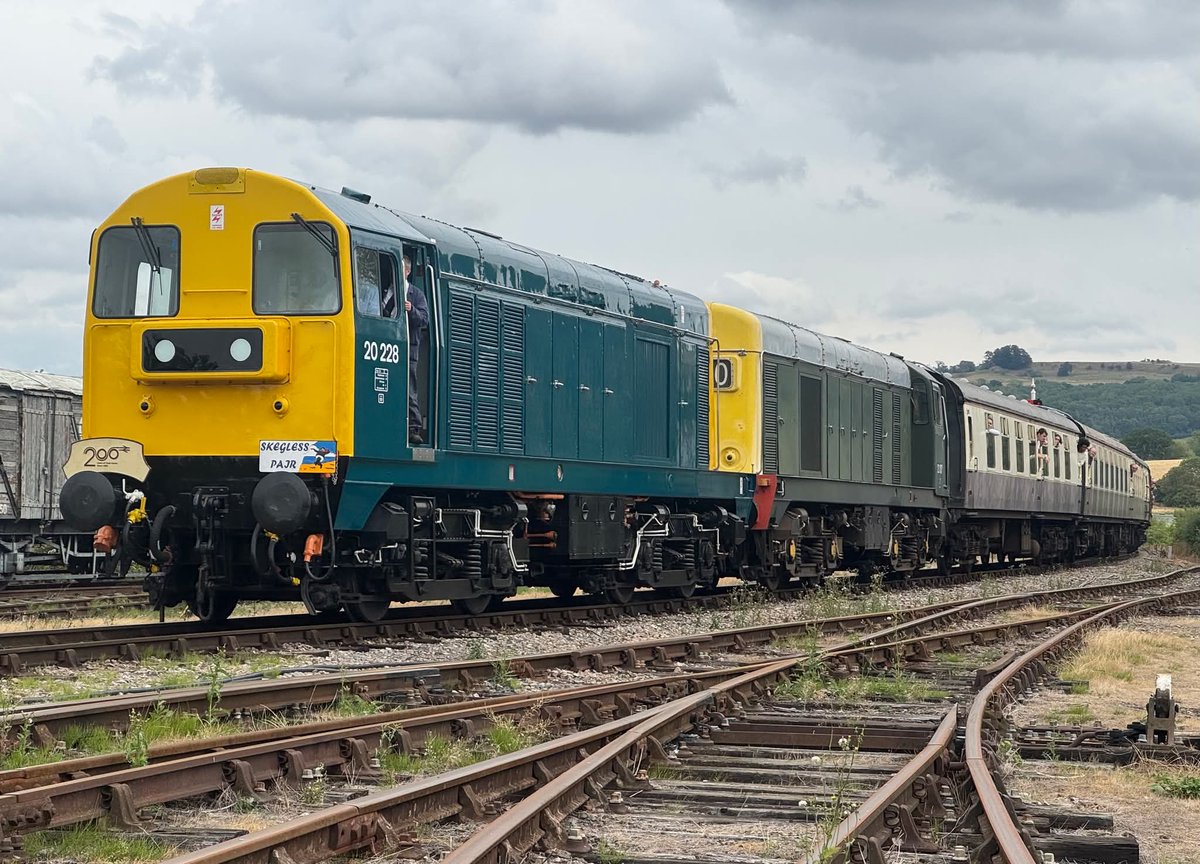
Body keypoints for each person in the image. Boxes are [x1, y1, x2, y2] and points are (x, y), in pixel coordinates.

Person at [402, 255, 430, 443]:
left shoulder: (416, 294)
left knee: (410, 388)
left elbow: (425, 320)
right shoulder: (387, 291)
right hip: (391, 346)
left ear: (408, 271)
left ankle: (414, 427)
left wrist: (411, 310)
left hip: (409, 348)